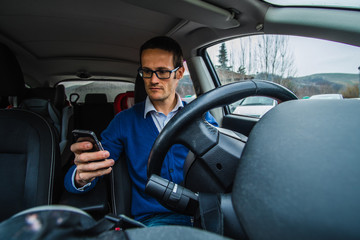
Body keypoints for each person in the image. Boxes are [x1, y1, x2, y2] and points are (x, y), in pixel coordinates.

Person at [64, 36, 218, 226]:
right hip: (155, 219)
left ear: (179, 74)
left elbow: (221, 163)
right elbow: (92, 165)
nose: (153, 80)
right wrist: (79, 176)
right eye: (147, 71)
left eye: (162, 71)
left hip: (207, 212)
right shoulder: (124, 121)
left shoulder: (200, 116)